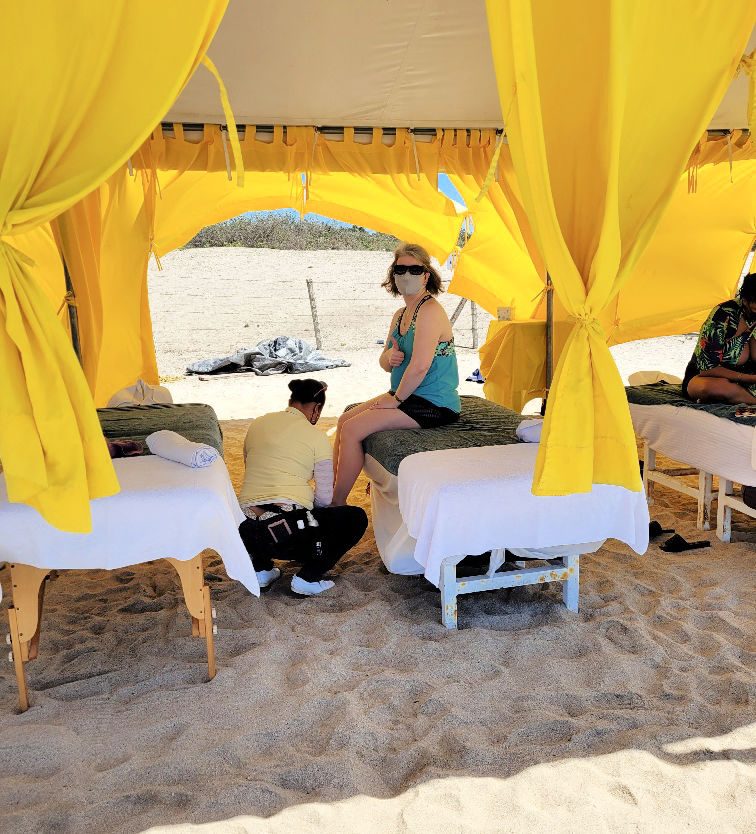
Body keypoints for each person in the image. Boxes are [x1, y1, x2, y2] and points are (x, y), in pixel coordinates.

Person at [332, 242, 461, 505]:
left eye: (414, 270)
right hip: (408, 395)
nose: (406, 276)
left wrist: (396, 399)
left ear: (427, 275)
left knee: (353, 429)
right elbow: (386, 361)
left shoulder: (430, 310)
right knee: (345, 420)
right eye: (400, 269)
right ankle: (330, 492)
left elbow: (420, 366)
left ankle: (336, 503)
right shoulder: (401, 314)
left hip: (434, 403)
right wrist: (388, 357)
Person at [238, 379, 368, 596]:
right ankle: (307, 578)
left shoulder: (257, 424)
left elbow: (249, 466)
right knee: (355, 517)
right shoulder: (316, 436)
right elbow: (325, 498)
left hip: (244, 528)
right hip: (285, 532)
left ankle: (262, 569)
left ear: (291, 400)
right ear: (316, 408)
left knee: (259, 508)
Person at [683, 273, 756, 404]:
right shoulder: (722, 315)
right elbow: (708, 368)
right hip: (708, 377)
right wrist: (749, 378)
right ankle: (750, 400)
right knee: (712, 387)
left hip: (748, 381)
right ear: (745, 300)